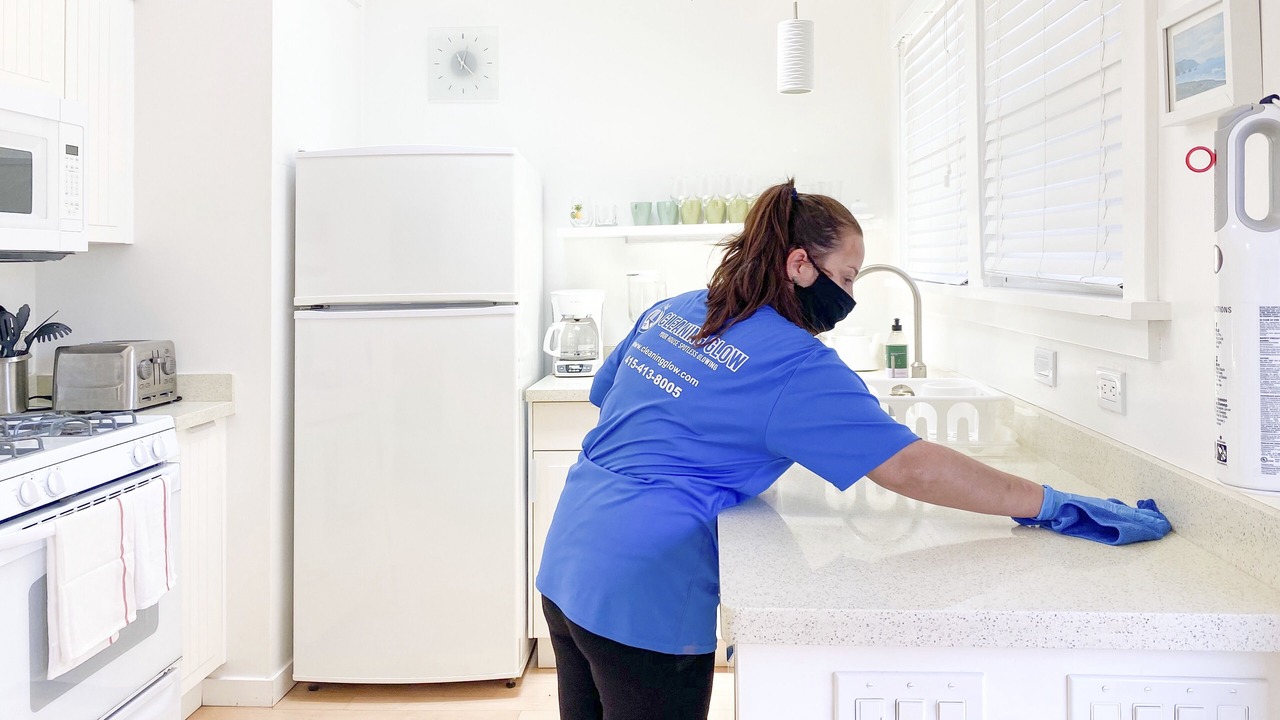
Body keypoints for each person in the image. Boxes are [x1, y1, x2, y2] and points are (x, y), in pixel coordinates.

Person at [535, 179, 1171, 720]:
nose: (846, 296)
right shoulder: (795, 363)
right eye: (843, 277)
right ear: (798, 265)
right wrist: (1048, 503)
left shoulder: (678, 308)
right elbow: (910, 466)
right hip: (645, 588)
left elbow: (603, 393)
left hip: (568, 559)